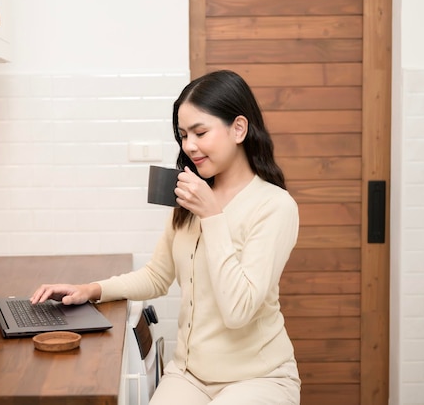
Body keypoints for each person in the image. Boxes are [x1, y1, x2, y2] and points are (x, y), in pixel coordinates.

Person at [31, 70, 301, 405]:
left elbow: (238, 311)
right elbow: (158, 276)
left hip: (258, 378)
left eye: (200, 132)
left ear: (239, 128)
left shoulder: (274, 206)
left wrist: (212, 216)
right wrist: (91, 290)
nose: (189, 146)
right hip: (189, 375)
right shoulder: (190, 197)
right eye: (183, 135)